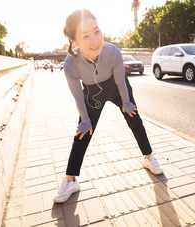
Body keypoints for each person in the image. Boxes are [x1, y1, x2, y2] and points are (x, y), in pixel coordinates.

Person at [53, 9, 163, 203]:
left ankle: (148, 157)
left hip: (116, 87)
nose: (95, 40)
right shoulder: (70, 64)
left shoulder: (113, 52)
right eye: (85, 36)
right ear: (74, 41)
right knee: (82, 132)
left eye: (97, 31)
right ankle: (70, 180)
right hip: (92, 92)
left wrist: (127, 102)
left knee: (135, 119)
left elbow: (121, 81)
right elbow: (78, 96)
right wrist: (85, 120)